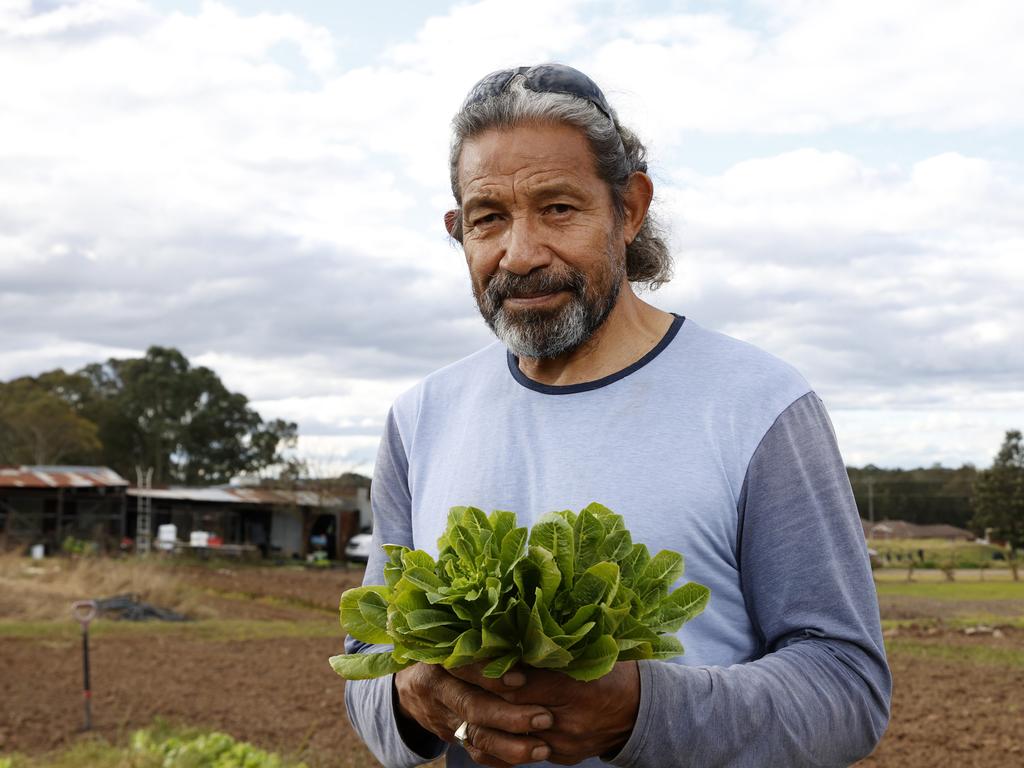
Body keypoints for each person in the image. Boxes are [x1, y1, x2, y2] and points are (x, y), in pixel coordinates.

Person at [343, 63, 891, 767]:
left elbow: (847, 688)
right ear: (458, 230)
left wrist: (640, 715)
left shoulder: (759, 406)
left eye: (558, 208)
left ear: (630, 209)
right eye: (489, 218)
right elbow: (369, 663)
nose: (521, 252)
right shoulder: (421, 418)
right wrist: (414, 701)